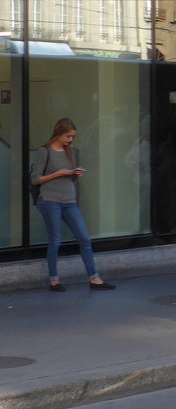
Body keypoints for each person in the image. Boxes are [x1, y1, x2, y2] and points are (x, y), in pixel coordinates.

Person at [30, 118, 116, 291]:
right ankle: (54, 280)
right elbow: (35, 179)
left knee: (84, 238)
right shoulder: (44, 151)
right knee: (56, 240)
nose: (71, 140)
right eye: (68, 136)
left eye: (72, 137)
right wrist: (57, 173)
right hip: (50, 200)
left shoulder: (69, 152)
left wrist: (75, 173)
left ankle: (94, 278)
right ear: (59, 134)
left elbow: (70, 177)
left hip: (70, 200)